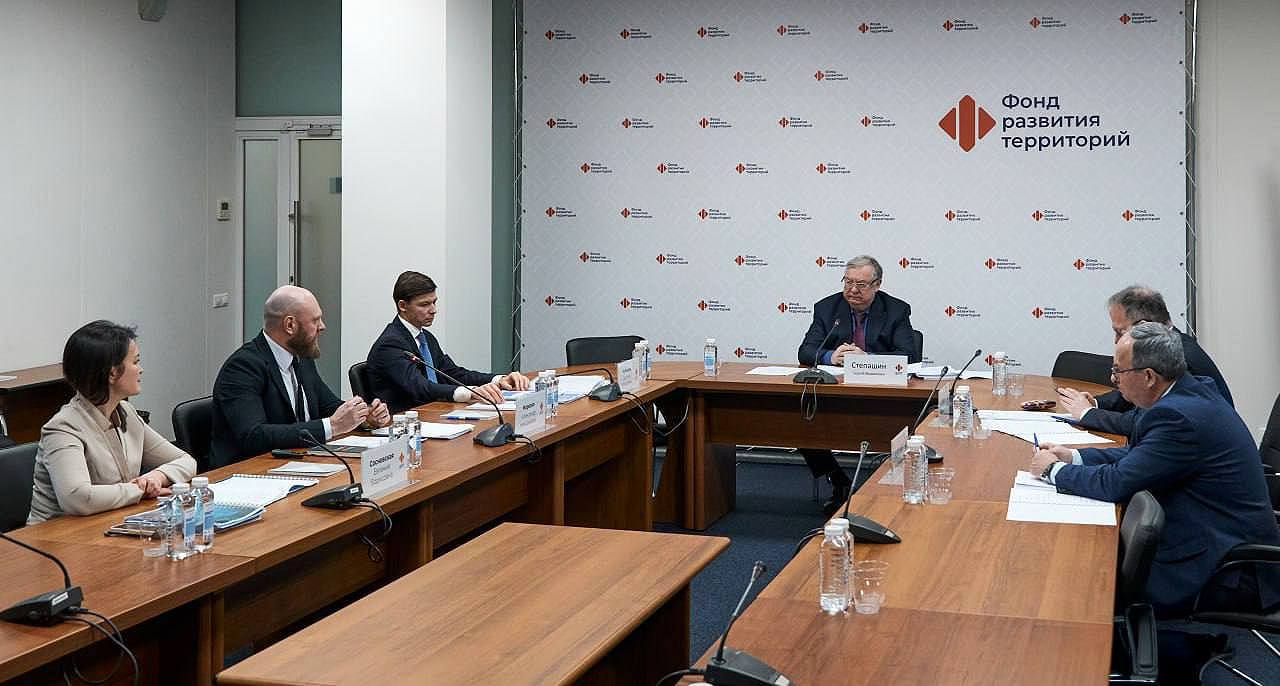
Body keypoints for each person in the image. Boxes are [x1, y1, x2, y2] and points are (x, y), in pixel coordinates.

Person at [1031, 323, 1279, 617]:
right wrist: (1074, 457)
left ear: (1148, 376)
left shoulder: (1178, 417)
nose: (1113, 380)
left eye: (1118, 371)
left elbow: (1116, 483)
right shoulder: (1188, 392)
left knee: (1085, 583)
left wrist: (1053, 470)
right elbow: (1142, 456)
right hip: (1213, 537)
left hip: (1226, 569)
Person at [27, 321, 197, 523]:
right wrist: (138, 490)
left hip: (109, 522)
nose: (141, 369)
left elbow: (186, 461)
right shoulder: (64, 428)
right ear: (113, 373)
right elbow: (78, 498)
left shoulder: (126, 412)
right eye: (135, 362)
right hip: (56, 535)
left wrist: (156, 477)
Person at [210, 285, 391, 467]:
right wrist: (333, 426)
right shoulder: (243, 367)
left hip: (299, 461)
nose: (322, 326)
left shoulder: (301, 357)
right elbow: (254, 436)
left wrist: (363, 416)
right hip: (250, 470)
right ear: (290, 325)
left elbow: (328, 406)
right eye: (315, 320)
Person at [796, 255, 919, 515]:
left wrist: (868, 358)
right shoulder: (827, 308)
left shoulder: (896, 310)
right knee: (801, 418)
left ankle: (890, 489)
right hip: (837, 393)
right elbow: (806, 350)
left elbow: (909, 355)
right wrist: (831, 356)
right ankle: (837, 480)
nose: (852, 290)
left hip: (883, 395)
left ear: (877, 285)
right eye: (848, 282)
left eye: (861, 284)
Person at [1057, 285, 1232, 436]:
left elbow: (1143, 422)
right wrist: (1096, 403)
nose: (1116, 341)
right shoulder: (1170, 344)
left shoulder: (1180, 358)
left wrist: (1088, 414)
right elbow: (1137, 390)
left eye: (1120, 332)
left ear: (1143, 326)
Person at [367, 271, 530, 413]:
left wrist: (499, 380)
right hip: (406, 423)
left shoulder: (426, 337)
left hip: (434, 414)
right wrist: (471, 392)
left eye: (434, 302)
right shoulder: (390, 344)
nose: (433, 310)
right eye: (424, 304)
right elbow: (420, 387)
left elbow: (454, 374)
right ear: (402, 306)